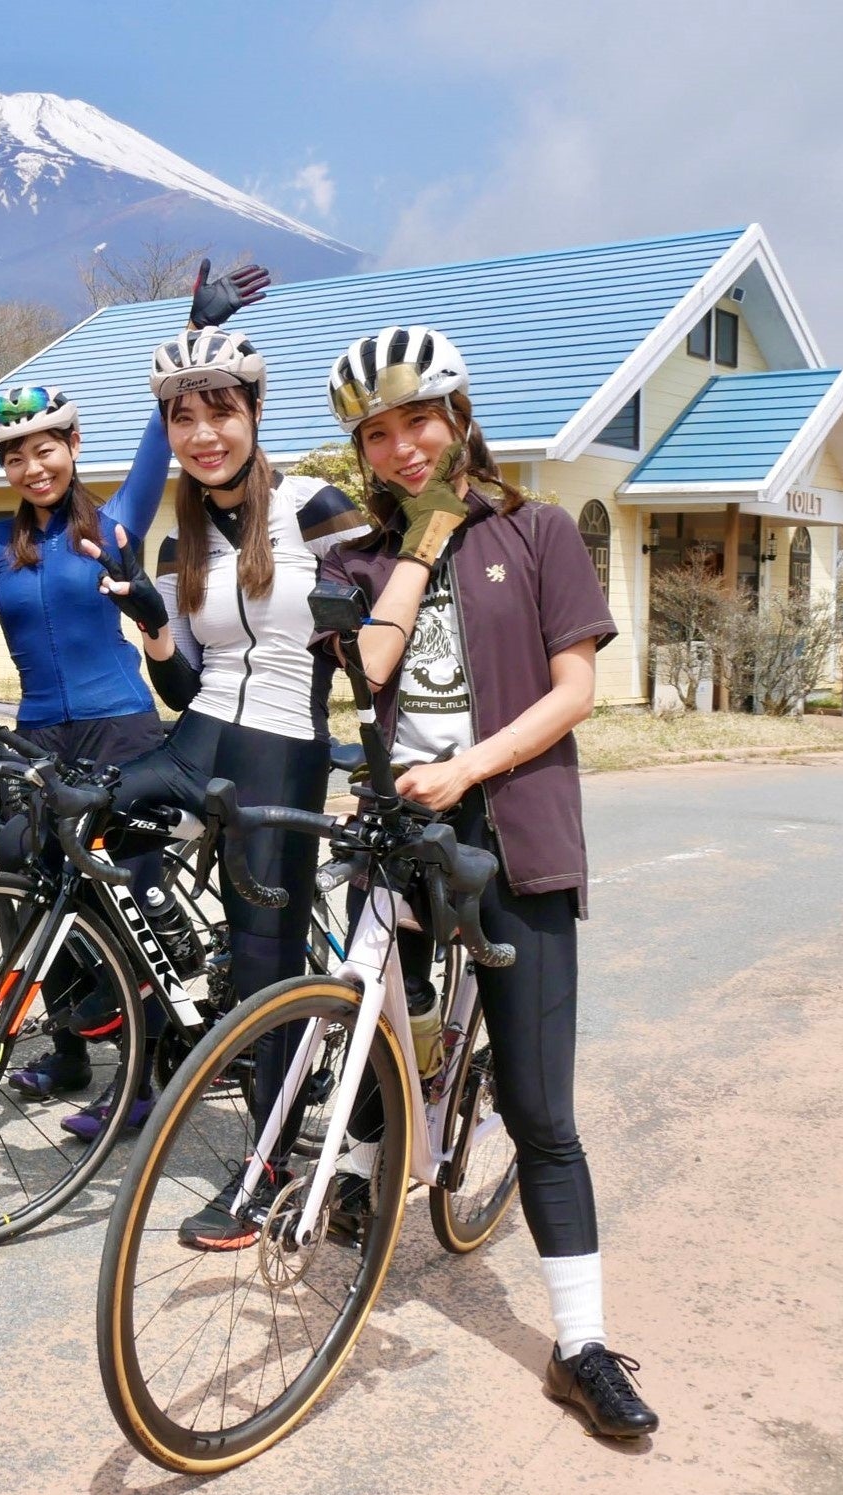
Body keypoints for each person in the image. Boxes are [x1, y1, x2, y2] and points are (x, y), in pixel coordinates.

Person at [317, 324, 659, 1438]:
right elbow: (370, 666)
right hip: (398, 826)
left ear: (459, 418)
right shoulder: (358, 559)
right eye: (378, 434)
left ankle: (581, 1346)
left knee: (538, 1107)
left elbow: (574, 691)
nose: (402, 447)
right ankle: (366, 1164)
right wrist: (421, 541)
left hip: (514, 827)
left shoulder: (540, 529)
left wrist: (467, 767)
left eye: (419, 421)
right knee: (371, 1029)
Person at [0, 260, 272, 1102]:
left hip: (121, 727)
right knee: (34, 887)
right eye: (15, 456)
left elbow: (160, 431)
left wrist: (196, 330)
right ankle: (68, 1050)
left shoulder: (116, 520)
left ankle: (151, 1068)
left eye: (46, 449)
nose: (33, 467)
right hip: (39, 736)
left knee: (132, 894)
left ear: (71, 447)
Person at [70, 326, 370, 1150]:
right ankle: (139, 994)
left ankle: (268, 1161)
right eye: (182, 419)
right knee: (48, 825)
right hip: (194, 742)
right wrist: (151, 625)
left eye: (220, 412)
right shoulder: (181, 538)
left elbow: (376, 642)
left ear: (255, 412)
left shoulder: (312, 506)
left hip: (281, 748)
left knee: (263, 963)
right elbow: (180, 686)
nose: (202, 434)